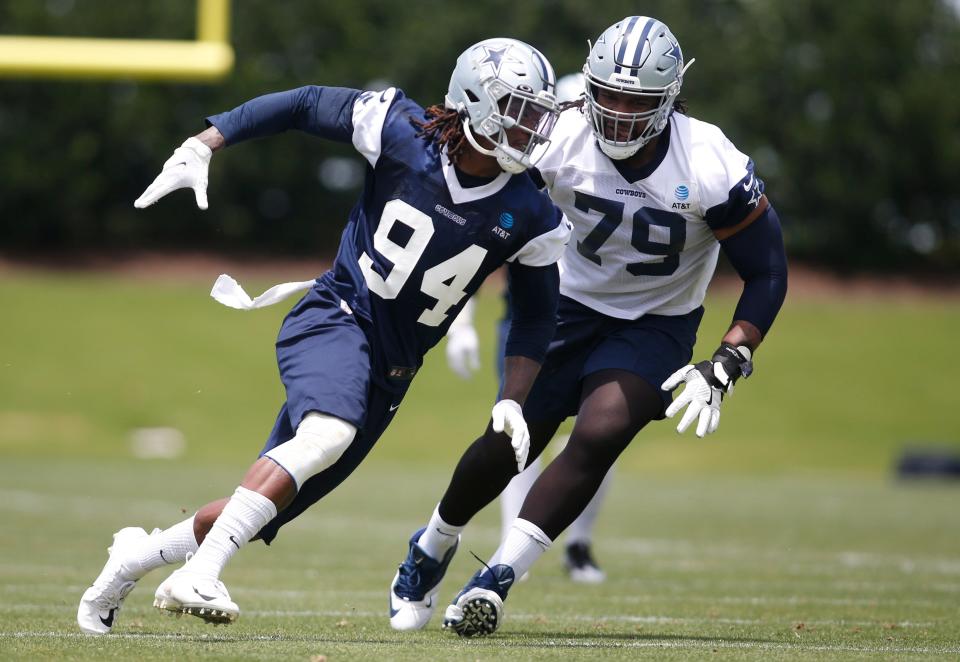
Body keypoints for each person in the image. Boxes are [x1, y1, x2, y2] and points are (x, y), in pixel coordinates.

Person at [77, 37, 573, 635]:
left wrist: (512, 400)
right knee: (327, 432)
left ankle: (131, 559)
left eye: (536, 115)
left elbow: (537, 314)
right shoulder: (399, 129)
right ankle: (200, 574)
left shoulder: (533, 211)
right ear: (473, 101)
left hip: (393, 371)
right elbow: (305, 103)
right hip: (336, 314)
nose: (529, 128)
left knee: (264, 509)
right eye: (517, 110)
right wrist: (205, 142)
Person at [389, 16, 788, 637]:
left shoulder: (710, 159)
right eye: (610, 96)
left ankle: (497, 577)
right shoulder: (556, 136)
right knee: (512, 439)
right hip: (560, 305)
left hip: (657, 319)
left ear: (670, 99)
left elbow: (767, 271)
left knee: (603, 430)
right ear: (588, 86)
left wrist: (731, 356)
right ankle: (434, 541)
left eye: (639, 102)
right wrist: (458, 308)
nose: (622, 113)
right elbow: (484, 218)